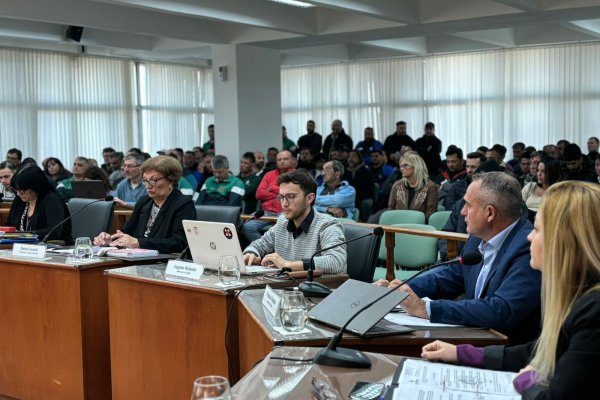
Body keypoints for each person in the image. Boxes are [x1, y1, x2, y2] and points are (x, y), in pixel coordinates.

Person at [420, 181, 600, 399]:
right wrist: (462, 353)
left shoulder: (594, 312)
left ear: (565, 241)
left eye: (537, 229)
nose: (530, 236)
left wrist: (526, 380)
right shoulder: (580, 297)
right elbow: (541, 352)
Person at [378, 172, 541, 344]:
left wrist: (426, 309)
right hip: (476, 339)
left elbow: (502, 309)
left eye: (468, 205)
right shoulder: (478, 237)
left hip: (509, 351)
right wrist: (400, 290)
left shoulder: (528, 246)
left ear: (490, 213)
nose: (462, 211)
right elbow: (450, 276)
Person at [243, 169, 346, 273]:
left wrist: (288, 264)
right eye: (281, 197)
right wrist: (251, 254)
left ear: (309, 198)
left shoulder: (328, 224)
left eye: (290, 197)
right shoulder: (282, 221)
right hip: (287, 286)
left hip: (323, 287)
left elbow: (336, 261)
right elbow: (259, 245)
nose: (284, 204)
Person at [93, 156, 196, 253]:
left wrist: (139, 243)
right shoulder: (144, 201)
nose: (147, 186)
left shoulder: (183, 204)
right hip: (137, 259)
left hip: (164, 262)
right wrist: (110, 240)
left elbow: (178, 242)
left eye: (153, 180)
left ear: (171, 181)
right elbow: (126, 232)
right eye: (145, 180)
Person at [7, 165, 72, 244]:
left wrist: (22, 235)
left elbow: (53, 232)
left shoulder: (51, 199)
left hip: (54, 248)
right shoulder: (19, 200)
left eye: (22, 190)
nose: (18, 194)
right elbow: (8, 226)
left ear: (35, 186)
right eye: (16, 190)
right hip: (21, 247)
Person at [242, 150, 297, 242]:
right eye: (279, 159)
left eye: (285, 159)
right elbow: (259, 194)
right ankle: (264, 248)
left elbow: (292, 194)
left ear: (292, 160)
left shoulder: (297, 174)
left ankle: (279, 252)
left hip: (286, 212)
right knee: (247, 226)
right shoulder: (269, 175)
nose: (282, 161)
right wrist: (280, 193)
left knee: (284, 229)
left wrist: (271, 188)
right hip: (266, 212)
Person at [387, 153, 438, 221]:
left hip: (420, 228)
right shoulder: (397, 185)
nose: (402, 169)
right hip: (398, 225)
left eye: (406, 165)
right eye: (401, 166)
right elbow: (390, 210)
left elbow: (430, 214)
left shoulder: (430, 186)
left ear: (416, 166)